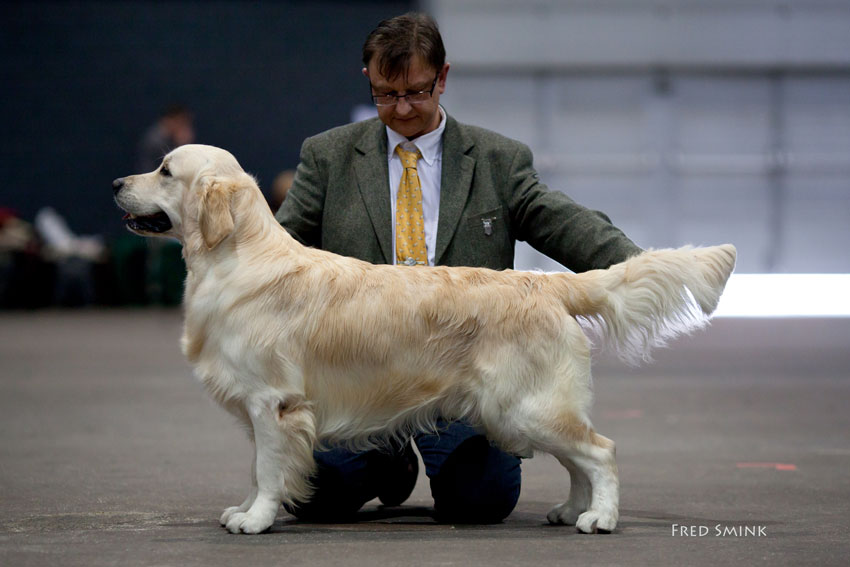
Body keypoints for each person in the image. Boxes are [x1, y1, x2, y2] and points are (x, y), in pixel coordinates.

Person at [275, 12, 643, 524]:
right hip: (360, 383)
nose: (401, 108)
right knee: (312, 498)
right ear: (369, 80)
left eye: (417, 92)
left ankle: (424, 460)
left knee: (481, 500)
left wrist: (637, 268)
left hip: (464, 377)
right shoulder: (327, 156)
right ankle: (389, 463)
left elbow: (562, 223)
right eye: (386, 94)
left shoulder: (497, 159)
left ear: (443, 78)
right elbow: (277, 248)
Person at [136, 104, 195, 173]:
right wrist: (182, 146)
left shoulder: (171, 137)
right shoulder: (155, 141)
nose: (184, 127)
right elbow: (171, 169)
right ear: (170, 120)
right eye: (181, 122)